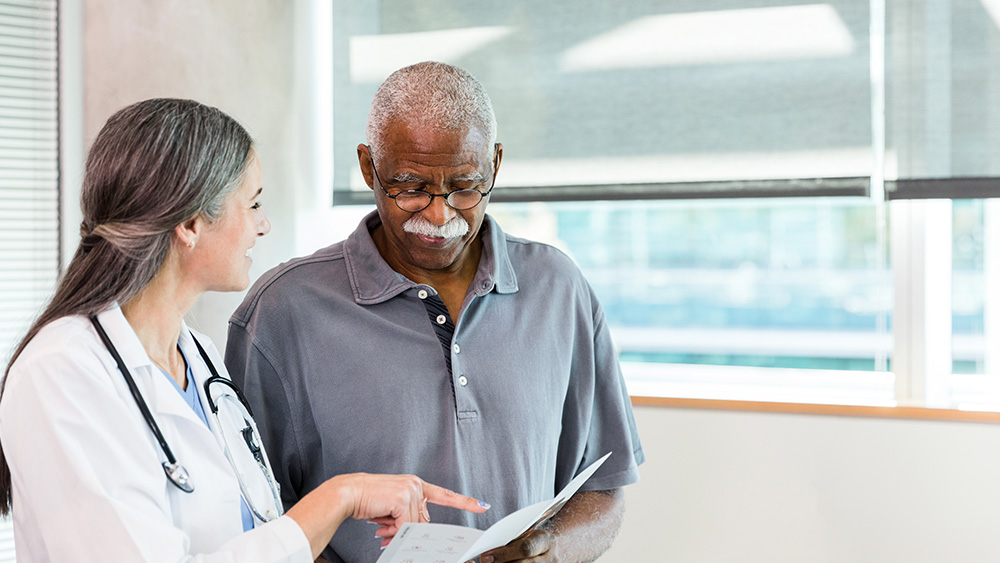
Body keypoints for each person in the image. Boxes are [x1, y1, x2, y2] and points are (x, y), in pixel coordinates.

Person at [0, 98, 488, 562]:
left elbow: (255, 533)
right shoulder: (62, 374)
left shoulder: (198, 356)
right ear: (191, 223)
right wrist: (343, 495)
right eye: (252, 204)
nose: (264, 225)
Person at [226, 61, 645, 563]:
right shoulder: (281, 313)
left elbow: (603, 489)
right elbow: (253, 517)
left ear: (495, 164)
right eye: (410, 187)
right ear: (367, 168)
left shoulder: (559, 289)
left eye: (465, 187)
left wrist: (550, 551)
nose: (440, 214)